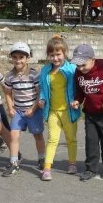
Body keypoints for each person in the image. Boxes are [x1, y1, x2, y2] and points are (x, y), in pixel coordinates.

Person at [70, 44, 103, 181]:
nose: (80, 68)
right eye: (78, 65)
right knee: (91, 141)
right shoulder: (78, 74)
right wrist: (77, 101)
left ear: (92, 59)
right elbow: (80, 91)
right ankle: (90, 168)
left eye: (83, 65)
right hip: (90, 114)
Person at [37, 37, 81, 181]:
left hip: (69, 111)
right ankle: (47, 168)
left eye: (58, 54)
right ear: (48, 55)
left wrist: (77, 101)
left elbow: (79, 88)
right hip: (52, 111)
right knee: (52, 139)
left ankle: (72, 164)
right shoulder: (45, 70)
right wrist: (42, 99)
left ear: (65, 52)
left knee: (71, 139)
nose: (55, 58)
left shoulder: (72, 69)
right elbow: (43, 88)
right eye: (52, 55)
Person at [2, 42, 45, 176]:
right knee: (13, 135)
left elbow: (39, 93)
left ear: (27, 58)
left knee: (38, 135)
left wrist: (33, 109)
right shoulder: (10, 76)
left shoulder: (34, 74)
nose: (18, 60)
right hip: (18, 111)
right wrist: (10, 108)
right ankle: (14, 163)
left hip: (34, 110)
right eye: (15, 57)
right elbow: (8, 93)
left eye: (21, 57)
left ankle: (42, 159)